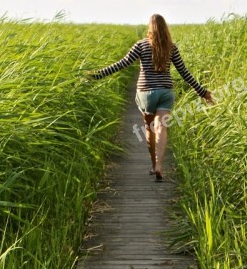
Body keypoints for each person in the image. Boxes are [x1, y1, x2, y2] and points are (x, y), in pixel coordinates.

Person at [90, 14, 214, 181]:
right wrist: (203, 92)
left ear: (150, 28)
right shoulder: (171, 47)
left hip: (146, 93)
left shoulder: (140, 45)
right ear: (165, 28)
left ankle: (152, 163)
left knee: (149, 129)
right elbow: (184, 73)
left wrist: (95, 76)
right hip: (165, 92)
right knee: (161, 128)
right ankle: (159, 165)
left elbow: (121, 64)